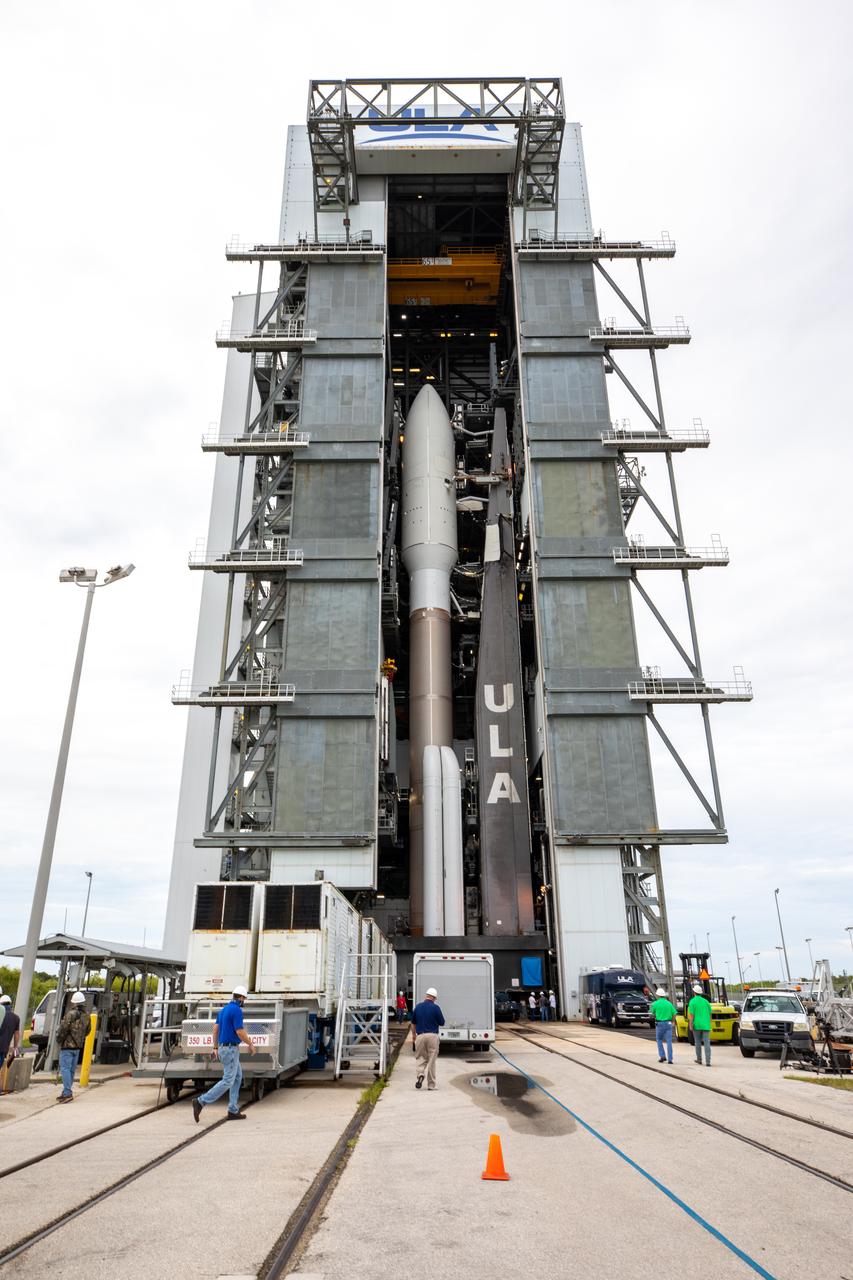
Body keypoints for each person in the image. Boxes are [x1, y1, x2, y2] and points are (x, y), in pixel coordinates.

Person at [192, 985, 256, 1122]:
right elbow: (239, 1031)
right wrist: (250, 1044)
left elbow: (215, 1030)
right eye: (244, 998)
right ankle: (200, 1101)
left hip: (223, 1048)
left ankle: (233, 1110)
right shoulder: (237, 1010)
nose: (244, 1001)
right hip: (231, 1050)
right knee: (228, 1080)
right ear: (241, 997)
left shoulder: (224, 1010)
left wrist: (215, 1047)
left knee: (237, 1077)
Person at [56, 991, 91, 1103]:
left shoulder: (70, 1014)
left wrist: (59, 1039)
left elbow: (63, 1029)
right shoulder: (87, 1016)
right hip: (77, 1047)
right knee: (71, 1070)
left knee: (65, 1069)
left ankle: (67, 1093)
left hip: (67, 1046)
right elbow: (88, 1031)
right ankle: (66, 1091)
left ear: (74, 1003)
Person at [410, 986, 445, 1091]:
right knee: (431, 1060)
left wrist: (413, 1035)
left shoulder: (418, 1007)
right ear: (434, 998)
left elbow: (413, 1023)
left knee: (420, 1058)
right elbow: (442, 1022)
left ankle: (420, 1074)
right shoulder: (436, 1008)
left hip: (420, 1036)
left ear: (426, 996)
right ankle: (431, 1085)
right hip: (432, 1036)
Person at [649, 986, 676, 1064]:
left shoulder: (655, 1003)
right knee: (669, 1041)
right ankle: (670, 1059)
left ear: (658, 995)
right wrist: (673, 1022)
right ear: (664, 995)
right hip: (668, 1023)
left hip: (659, 1023)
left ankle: (662, 1056)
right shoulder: (669, 1004)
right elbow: (674, 1014)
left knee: (659, 1039)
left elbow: (652, 1013)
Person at [688, 982, 713, 1066]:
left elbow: (692, 1015)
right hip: (706, 1025)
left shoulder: (692, 1002)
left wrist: (690, 1025)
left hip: (697, 1025)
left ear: (694, 992)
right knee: (707, 1043)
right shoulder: (706, 1002)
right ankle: (708, 1061)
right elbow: (710, 1014)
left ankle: (699, 1059)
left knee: (697, 1042)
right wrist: (709, 1023)